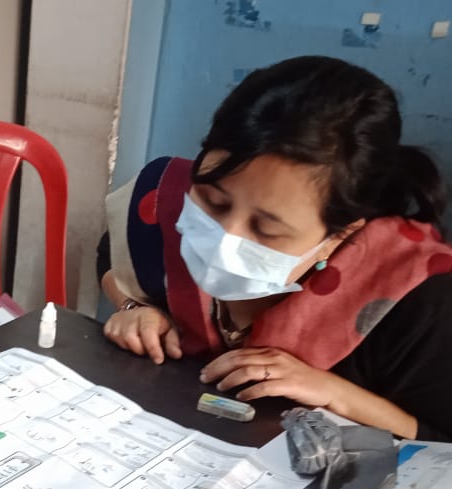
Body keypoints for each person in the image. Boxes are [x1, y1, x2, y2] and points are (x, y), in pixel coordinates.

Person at [99, 55, 452, 441]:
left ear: (338, 236)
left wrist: (336, 394)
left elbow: (440, 440)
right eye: (213, 202)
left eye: (267, 229)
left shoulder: (416, 301)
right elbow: (113, 255)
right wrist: (135, 308)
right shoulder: (164, 204)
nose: (224, 240)